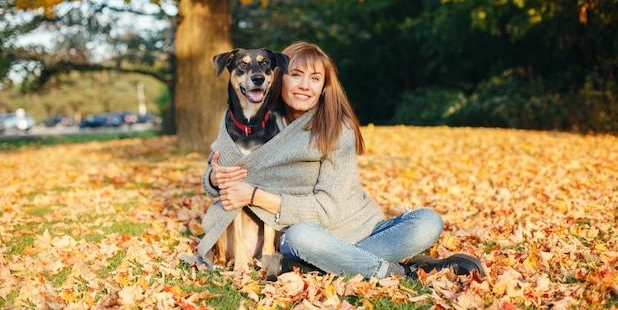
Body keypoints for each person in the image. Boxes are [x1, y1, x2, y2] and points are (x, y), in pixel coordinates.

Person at [187, 42, 484, 280]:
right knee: (302, 235)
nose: (305, 85)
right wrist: (215, 179)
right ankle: (403, 272)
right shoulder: (259, 123)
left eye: (315, 79)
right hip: (304, 238)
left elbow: (328, 210)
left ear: (324, 86)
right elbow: (222, 172)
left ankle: (312, 268)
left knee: (428, 221)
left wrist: (253, 195)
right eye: (297, 75)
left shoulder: (335, 128)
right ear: (279, 76)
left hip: (360, 229)